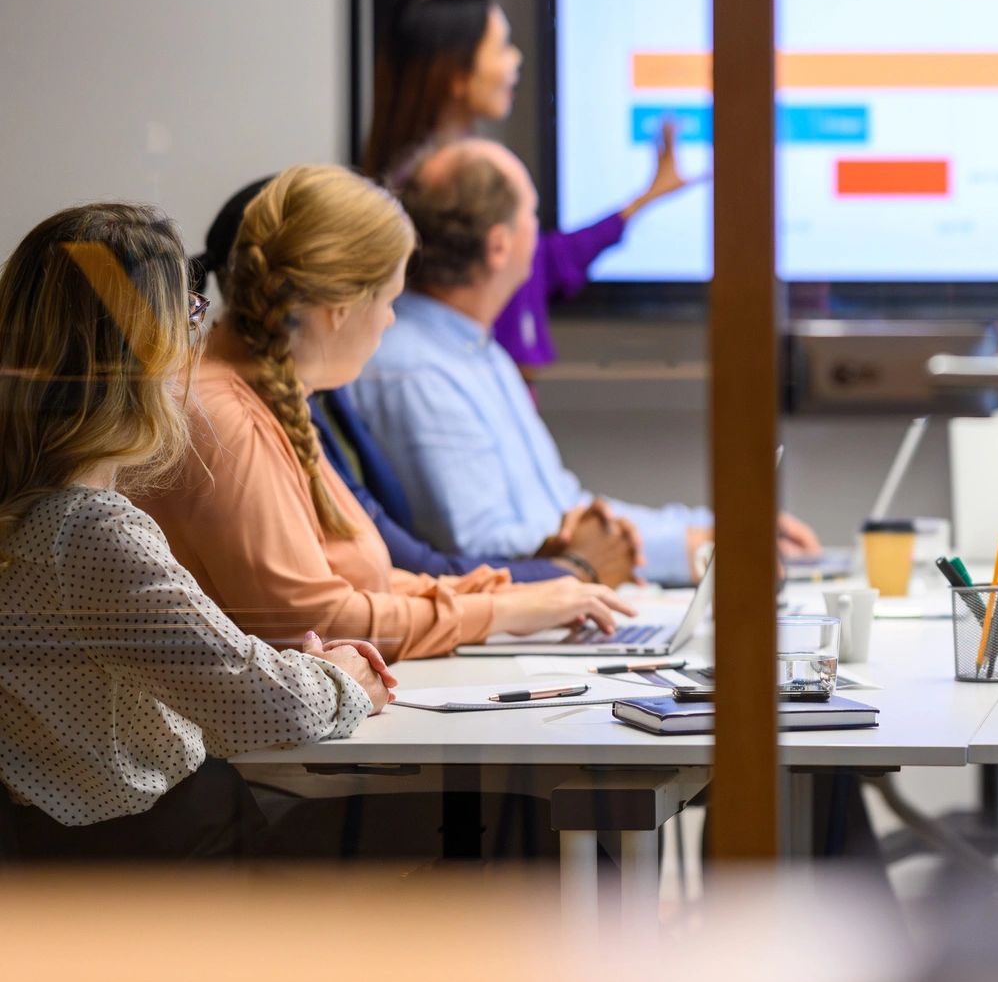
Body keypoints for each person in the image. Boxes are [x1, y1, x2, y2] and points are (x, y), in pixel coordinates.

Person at [0, 203, 391, 859]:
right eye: (187, 313)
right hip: (159, 859)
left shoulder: (32, 513)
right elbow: (261, 707)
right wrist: (341, 677)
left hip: (87, 851)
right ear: (147, 352)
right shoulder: (89, 531)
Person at [137, 164, 635, 658]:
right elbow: (316, 625)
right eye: (390, 300)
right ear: (341, 309)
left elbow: (361, 585)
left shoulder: (263, 397)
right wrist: (500, 612)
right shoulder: (229, 420)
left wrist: (521, 599)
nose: (391, 320)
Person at [347, 139, 820, 586]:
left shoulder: (479, 352)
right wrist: (689, 551)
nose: (539, 233)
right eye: (532, 215)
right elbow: (485, 548)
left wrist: (719, 526)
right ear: (499, 246)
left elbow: (564, 509)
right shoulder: (417, 372)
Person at [360, 0, 700, 372]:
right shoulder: (435, 188)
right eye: (501, 47)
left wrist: (641, 202)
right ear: (455, 71)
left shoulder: (423, 177)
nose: (515, 60)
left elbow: (540, 263)